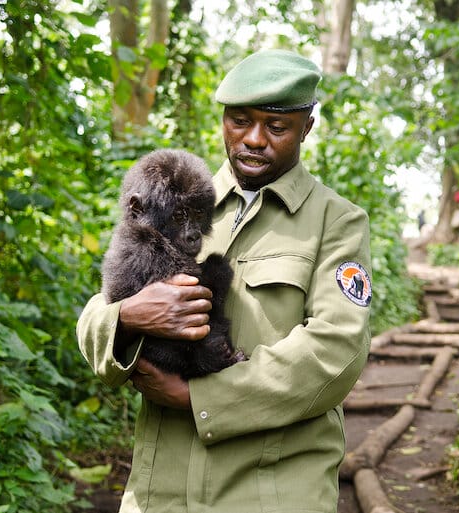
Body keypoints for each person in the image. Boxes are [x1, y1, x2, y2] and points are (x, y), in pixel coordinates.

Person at [76, 49, 373, 513]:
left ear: (306, 127)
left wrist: (200, 398)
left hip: (269, 494)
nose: (254, 139)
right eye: (239, 121)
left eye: (276, 127)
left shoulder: (336, 222)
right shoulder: (179, 193)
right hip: (161, 493)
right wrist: (129, 318)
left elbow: (337, 351)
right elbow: (103, 304)